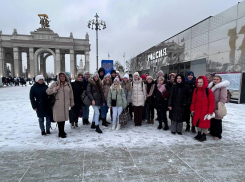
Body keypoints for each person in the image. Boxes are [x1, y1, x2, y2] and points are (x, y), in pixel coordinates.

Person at [46, 72, 74, 138]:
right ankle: (60, 132)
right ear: (59, 77)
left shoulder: (68, 84)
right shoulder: (55, 83)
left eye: (63, 76)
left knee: (63, 118)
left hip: (65, 104)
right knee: (59, 118)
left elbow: (71, 95)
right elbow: (48, 91)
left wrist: (71, 102)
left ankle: (63, 131)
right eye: (61, 76)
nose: (62, 77)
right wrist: (55, 89)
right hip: (58, 104)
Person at [191, 76, 215, 142]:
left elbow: (211, 102)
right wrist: (192, 109)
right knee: (198, 123)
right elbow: (193, 101)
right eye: (198, 82)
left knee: (205, 124)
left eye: (201, 82)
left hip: (205, 111)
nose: (199, 83)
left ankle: (204, 135)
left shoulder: (208, 91)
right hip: (197, 110)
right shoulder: (195, 90)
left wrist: (210, 111)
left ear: (204, 82)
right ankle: (199, 134)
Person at [208, 75, 230, 140]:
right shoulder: (211, 86)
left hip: (218, 106)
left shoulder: (222, 87)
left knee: (217, 121)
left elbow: (223, 98)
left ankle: (218, 134)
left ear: (220, 80)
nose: (215, 80)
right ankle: (212, 132)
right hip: (211, 105)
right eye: (214, 79)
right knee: (212, 120)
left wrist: (219, 105)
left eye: (217, 79)